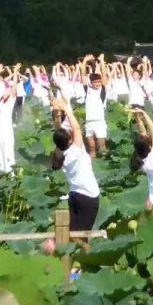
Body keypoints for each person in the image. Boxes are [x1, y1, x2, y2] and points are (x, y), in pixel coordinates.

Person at [50, 95, 100, 232]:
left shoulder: (61, 155)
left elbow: (59, 132)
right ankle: (75, 249)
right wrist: (65, 107)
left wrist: (57, 115)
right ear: (70, 140)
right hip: (88, 196)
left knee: (72, 232)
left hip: (75, 196)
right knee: (82, 235)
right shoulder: (76, 152)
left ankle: (66, 250)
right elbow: (77, 129)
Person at [81, 69, 109, 158]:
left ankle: (104, 164)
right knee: (91, 147)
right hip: (89, 122)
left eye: (99, 82)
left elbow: (104, 76)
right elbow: (83, 75)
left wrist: (101, 61)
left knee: (102, 145)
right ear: (91, 83)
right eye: (95, 82)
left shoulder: (102, 91)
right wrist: (84, 61)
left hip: (99, 122)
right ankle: (93, 164)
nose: (97, 84)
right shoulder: (87, 90)